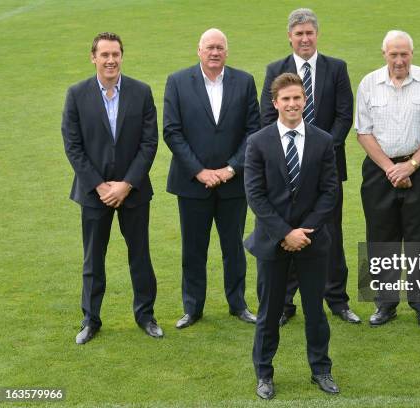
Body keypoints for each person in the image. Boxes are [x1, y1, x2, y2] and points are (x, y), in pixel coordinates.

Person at [260, 8, 359, 325]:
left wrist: (320, 150)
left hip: (326, 169)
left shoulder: (336, 68)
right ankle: (285, 304)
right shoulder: (275, 70)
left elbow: (344, 115)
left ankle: (337, 300)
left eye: (309, 33)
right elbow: (267, 117)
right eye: (299, 33)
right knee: (288, 233)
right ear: (289, 36)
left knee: (330, 234)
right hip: (285, 171)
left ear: (317, 34)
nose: (305, 38)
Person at [62, 32, 162, 344]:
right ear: (93, 57)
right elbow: (73, 145)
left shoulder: (141, 92)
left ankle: (145, 316)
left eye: (115, 54)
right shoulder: (76, 94)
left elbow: (149, 143)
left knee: (140, 256)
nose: (110, 60)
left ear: (121, 56)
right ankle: (91, 320)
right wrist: (100, 185)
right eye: (104, 54)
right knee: (93, 259)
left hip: (133, 192)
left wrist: (127, 184)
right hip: (94, 194)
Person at [246, 73, 340, 399]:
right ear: (275, 103)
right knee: (269, 313)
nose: (292, 104)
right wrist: (286, 233)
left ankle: (321, 370)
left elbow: (330, 193)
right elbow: (256, 196)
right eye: (285, 99)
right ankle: (264, 374)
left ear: (305, 100)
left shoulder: (323, 141)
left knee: (315, 312)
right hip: (273, 243)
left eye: (297, 98)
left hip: (312, 243)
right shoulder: (257, 142)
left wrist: (304, 232)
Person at [163, 28, 260, 328]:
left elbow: (253, 131)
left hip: (233, 183)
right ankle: (193, 308)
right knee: (193, 249)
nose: (215, 52)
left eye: (219, 47)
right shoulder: (177, 82)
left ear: (226, 51)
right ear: (199, 50)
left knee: (234, 248)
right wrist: (200, 171)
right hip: (192, 184)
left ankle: (238, 305)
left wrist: (231, 168)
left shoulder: (244, 82)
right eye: (209, 47)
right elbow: (172, 131)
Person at [355, 30, 420, 327]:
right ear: (384, 55)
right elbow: (363, 132)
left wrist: (411, 165)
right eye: (393, 54)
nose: (399, 60)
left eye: (404, 54)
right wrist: (391, 169)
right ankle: (386, 304)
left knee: (419, 239)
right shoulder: (369, 83)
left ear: (412, 53)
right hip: (380, 172)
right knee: (382, 239)